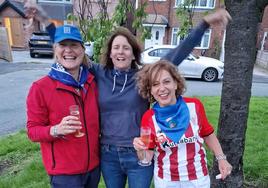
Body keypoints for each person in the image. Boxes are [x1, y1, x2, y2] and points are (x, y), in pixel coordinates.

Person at [24, 2, 231, 187]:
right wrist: (43, 18)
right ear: (110, 52)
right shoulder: (98, 73)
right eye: (116, 48)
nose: (120, 52)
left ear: (133, 53)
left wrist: (204, 23)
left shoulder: (144, 76)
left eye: (126, 48)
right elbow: (68, 50)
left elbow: (176, 53)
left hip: (138, 153)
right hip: (107, 154)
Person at [133, 60, 233, 188]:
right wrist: (140, 148)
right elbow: (146, 158)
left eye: (166, 81)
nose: (162, 88)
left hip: (197, 178)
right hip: (166, 180)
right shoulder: (149, 117)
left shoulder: (194, 106)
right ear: (151, 90)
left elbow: (208, 135)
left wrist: (221, 159)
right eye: (155, 84)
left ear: (175, 83)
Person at [26, 25, 100, 188]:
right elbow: (32, 131)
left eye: (73, 45)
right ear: (55, 49)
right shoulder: (40, 88)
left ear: (82, 49)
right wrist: (55, 130)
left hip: (93, 169)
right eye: (63, 45)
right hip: (64, 174)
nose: (69, 51)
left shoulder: (92, 82)